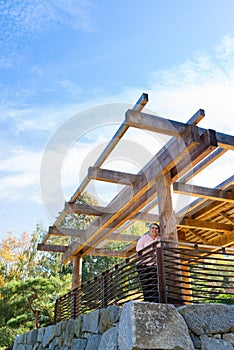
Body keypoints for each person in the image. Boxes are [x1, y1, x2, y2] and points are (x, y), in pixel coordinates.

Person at [136, 223, 161, 302]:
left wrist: (151, 252)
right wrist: (150, 252)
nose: (154, 230)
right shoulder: (144, 238)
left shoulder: (159, 239)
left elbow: (160, 249)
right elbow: (139, 248)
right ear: (149, 230)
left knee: (154, 283)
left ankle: (155, 301)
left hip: (154, 265)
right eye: (152, 228)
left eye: (156, 228)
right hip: (143, 264)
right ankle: (147, 300)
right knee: (146, 283)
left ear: (158, 230)